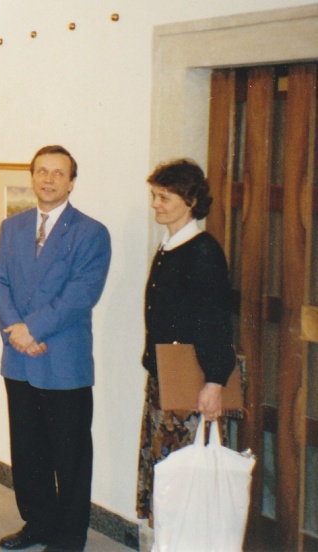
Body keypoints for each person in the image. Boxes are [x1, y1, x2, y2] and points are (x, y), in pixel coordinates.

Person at [0, 145, 111, 552]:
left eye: (59, 173)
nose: (49, 179)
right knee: (27, 450)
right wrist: (15, 332)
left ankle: (69, 539)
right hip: (19, 358)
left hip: (63, 360)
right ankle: (37, 523)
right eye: (42, 171)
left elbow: (80, 295)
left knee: (70, 456)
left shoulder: (91, 233)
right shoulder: (13, 226)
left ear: (72, 182)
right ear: (32, 177)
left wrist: (32, 330)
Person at [135, 158, 235, 527]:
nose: (155, 204)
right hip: (167, 375)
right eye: (154, 195)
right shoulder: (169, 247)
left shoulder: (202, 251)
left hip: (191, 379)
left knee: (181, 477)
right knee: (167, 472)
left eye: (164, 197)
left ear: (190, 201)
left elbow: (214, 321)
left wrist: (215, 382)